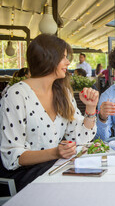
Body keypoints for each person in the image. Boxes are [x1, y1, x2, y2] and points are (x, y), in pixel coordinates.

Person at [0, 34, 99, 195]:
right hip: (26, 174)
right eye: (64, 58)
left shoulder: (63, 92)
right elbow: (11, 156)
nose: (68, 63)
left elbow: (80, 137)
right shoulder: (16, 94)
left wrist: (90, 108)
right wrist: (55, 152)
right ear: (48, 58)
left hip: (56, 167)